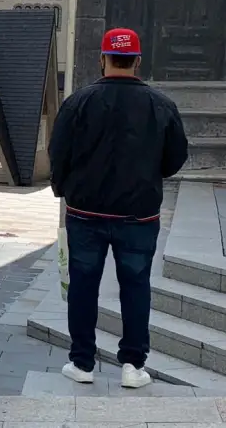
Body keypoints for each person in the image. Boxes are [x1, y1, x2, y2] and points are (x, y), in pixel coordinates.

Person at [49, 28, 188, 389]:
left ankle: (82, 363)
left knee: (83, 286)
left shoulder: (78, 102)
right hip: (139, 215)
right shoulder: (162, 106)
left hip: (85, 213)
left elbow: (58, 153)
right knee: (136, 286)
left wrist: (64, 190)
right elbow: (176, 158)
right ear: (138, 61)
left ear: (103, 59)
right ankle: (132, 366)